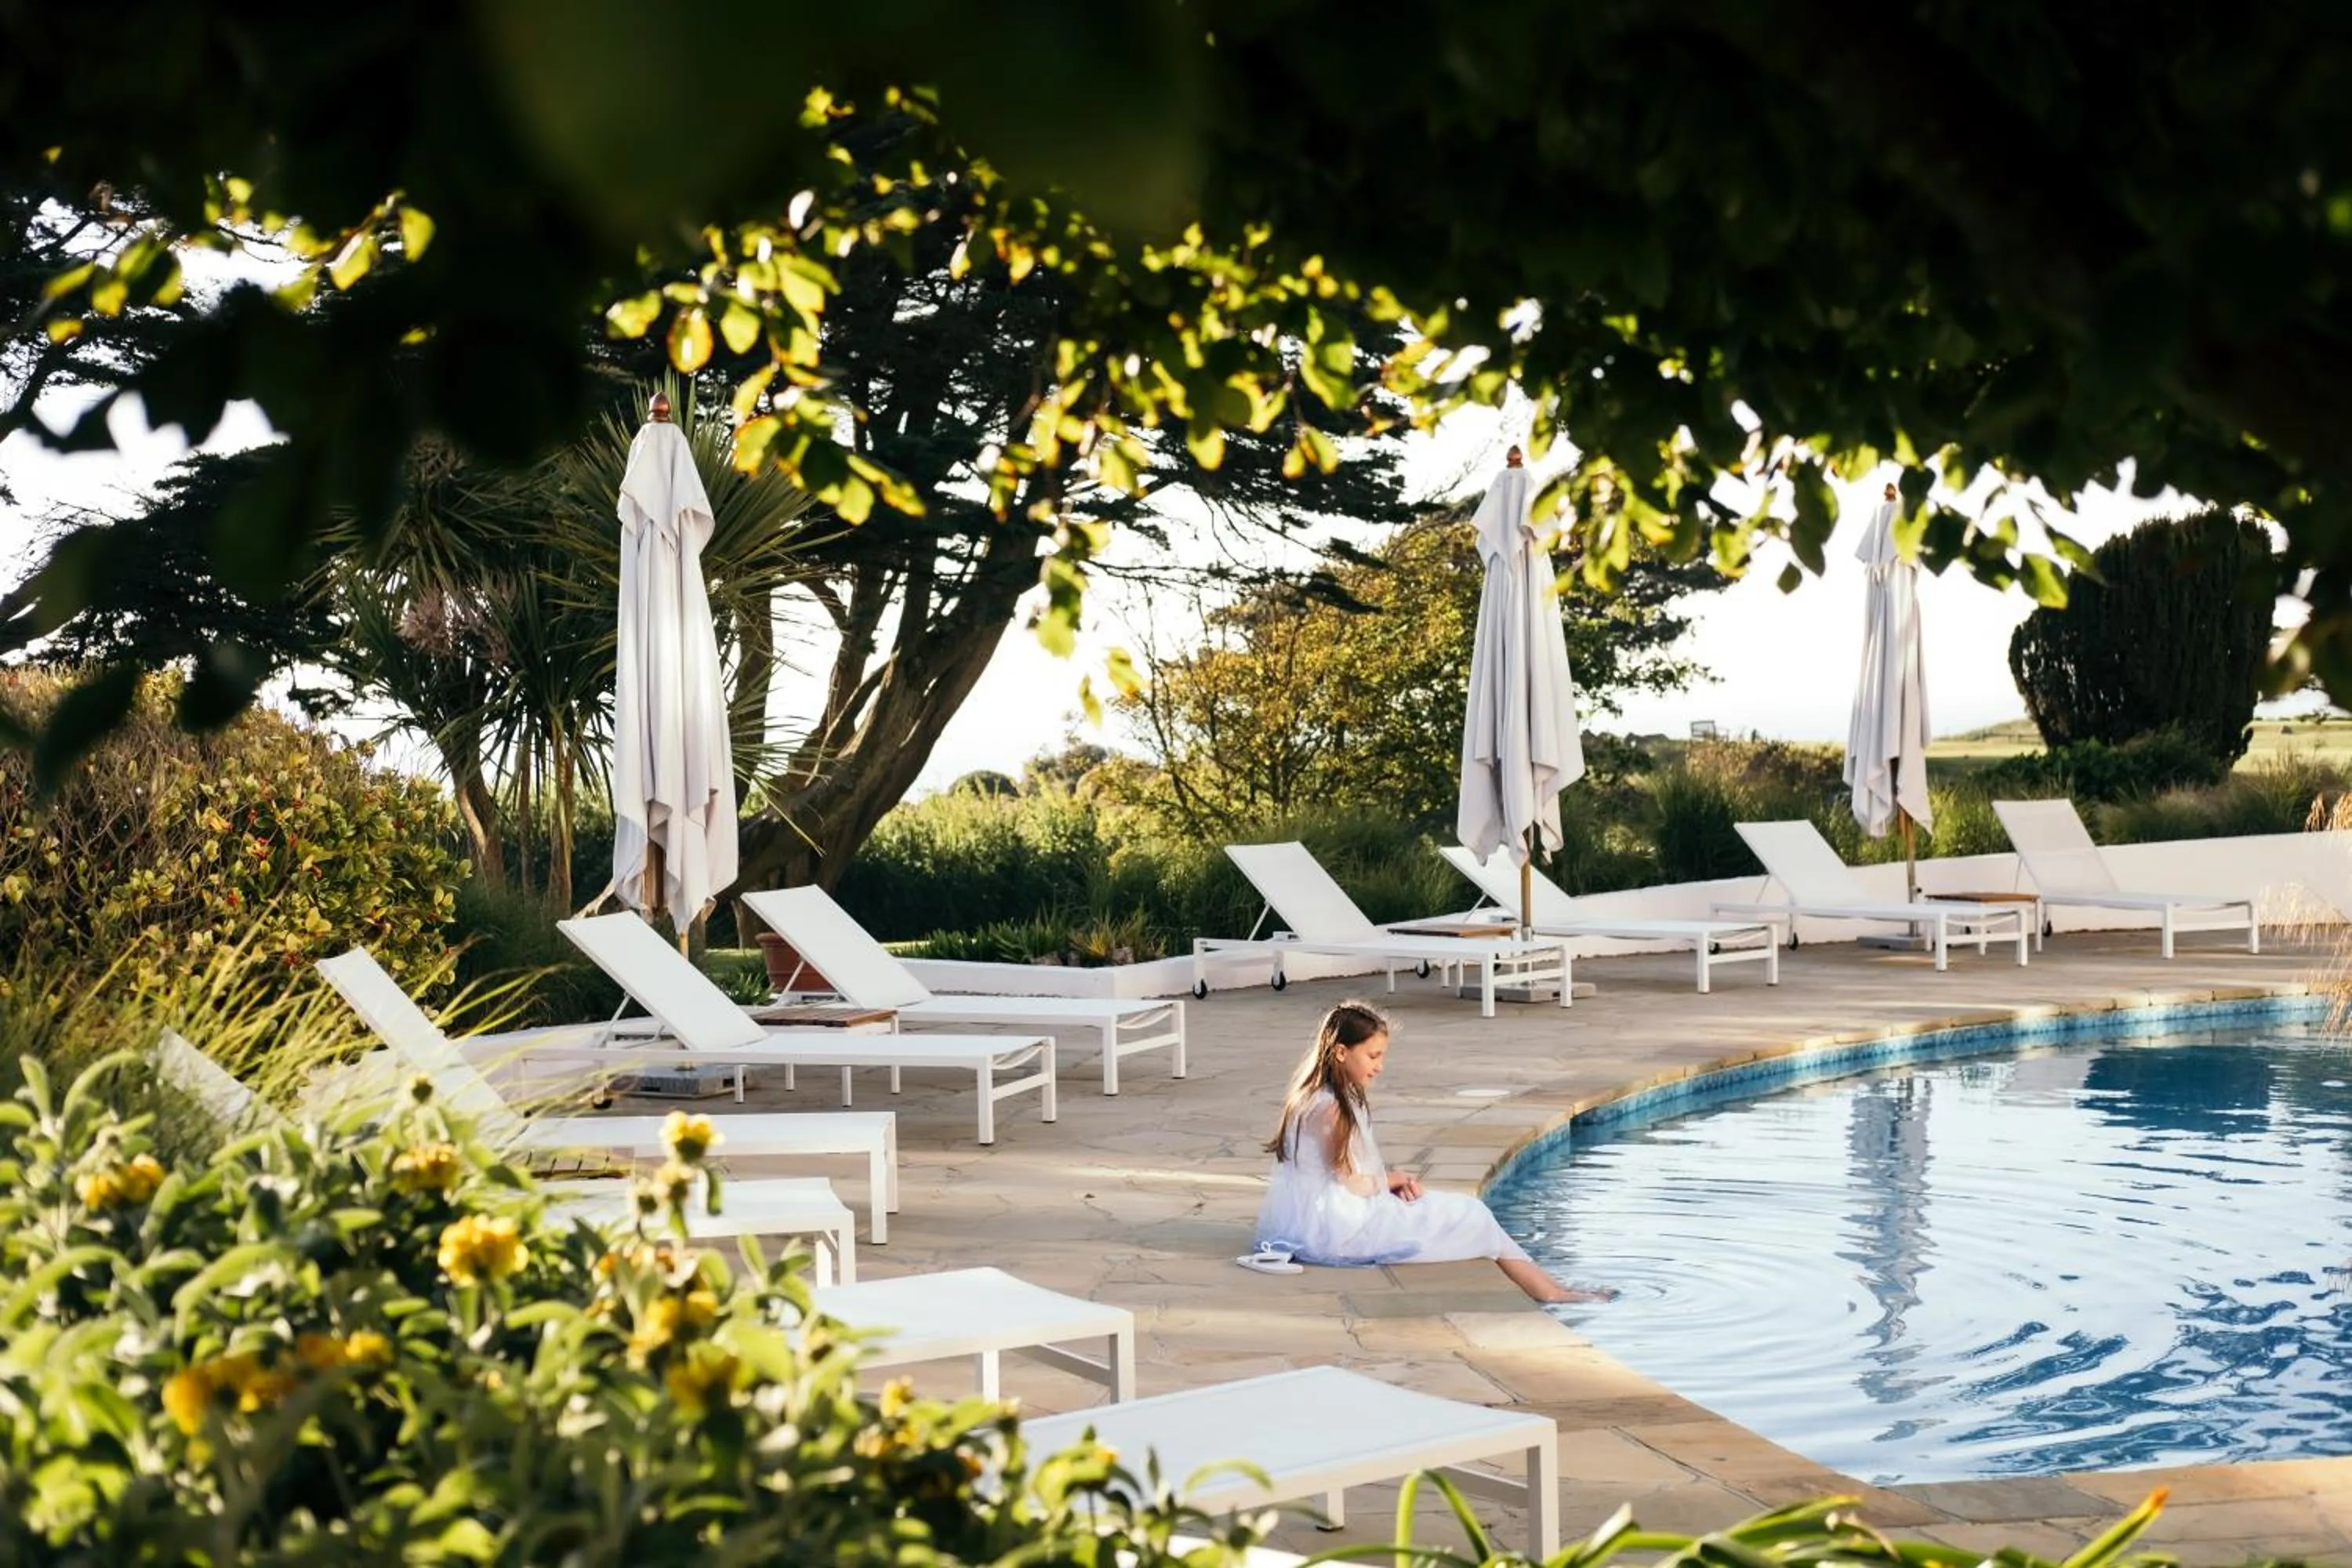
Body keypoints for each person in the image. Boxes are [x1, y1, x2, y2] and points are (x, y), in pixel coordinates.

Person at [1250, 1000, 1608, 1304]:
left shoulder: (1315, 1096)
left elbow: (1338, 1175)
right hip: (1341, 1231)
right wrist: (1393, 1179)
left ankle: (1553, 1289)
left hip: (1325, 1219)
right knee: (1474, 1214)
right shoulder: (1331, 1108)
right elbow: (1350, 1183)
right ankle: (1552, 1293)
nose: (1379, 1066)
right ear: (1341, 1052)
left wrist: (1386, 1183)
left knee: (1469, 1214)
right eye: (1373, 1056)